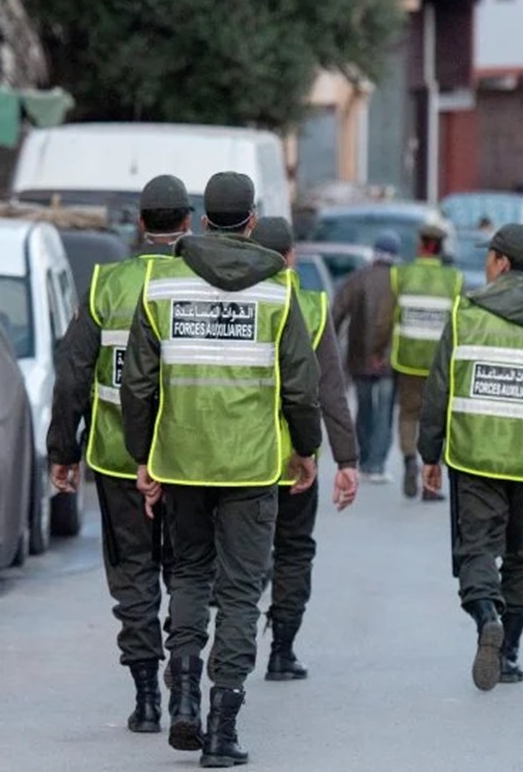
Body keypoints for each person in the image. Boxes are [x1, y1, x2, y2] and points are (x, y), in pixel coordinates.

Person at [120, 172, 322, 767]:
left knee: (187, 577)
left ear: (204, 221)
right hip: (253, 466)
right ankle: (223, 730)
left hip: (182, 462)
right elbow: (301, 389)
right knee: (238, 592)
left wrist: (144, 458)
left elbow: (137, 383)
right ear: (252, 223)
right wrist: (305, 449)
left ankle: (181, 699)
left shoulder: (162, 287)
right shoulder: (280, 292)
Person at [417, 224, 523, 690]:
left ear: (500, 262)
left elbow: (439, 388)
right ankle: (510, 650)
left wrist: (429, 454)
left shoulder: (467, 312)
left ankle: (486, 617)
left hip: (475, 456)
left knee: (476, 549)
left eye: (488, 257)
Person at [47, 174, 191, 735]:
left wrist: (64, 448)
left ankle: (146, 699)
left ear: (140, 223)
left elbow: (72, 374)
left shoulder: (109, 283)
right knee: (186, 573)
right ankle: (184, 688)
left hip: (113, 456)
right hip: (187, 460)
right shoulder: (202, 284)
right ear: (187, 223)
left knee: (133, 575)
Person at [249, 217, 359, 682]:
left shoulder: (238, 298)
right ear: (291, 257)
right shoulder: (311, 305)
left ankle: (226, 636)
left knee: (240, 551)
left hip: (241, 456)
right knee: (294, 550)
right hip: (296, 458)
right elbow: (330, 390)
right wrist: (346, 459)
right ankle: (282, 650)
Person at [390, 222, 463, 501]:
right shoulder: (453, 279)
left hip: (407, 358)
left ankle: (410, 460)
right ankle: (431, 479)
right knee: (437, 420)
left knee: (408, 414)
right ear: (441, 247)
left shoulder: (401, 275)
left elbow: (389, 315)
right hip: (440, 365)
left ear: (420, 245)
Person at [332, 230, 399, 483]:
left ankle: (363, 458)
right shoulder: (399, 281)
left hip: (359, 358)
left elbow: (336, 313)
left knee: (364, 409)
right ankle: (377, 465)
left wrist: (330, 349)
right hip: (390, 359)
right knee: (385, 412)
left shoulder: (357, 279)